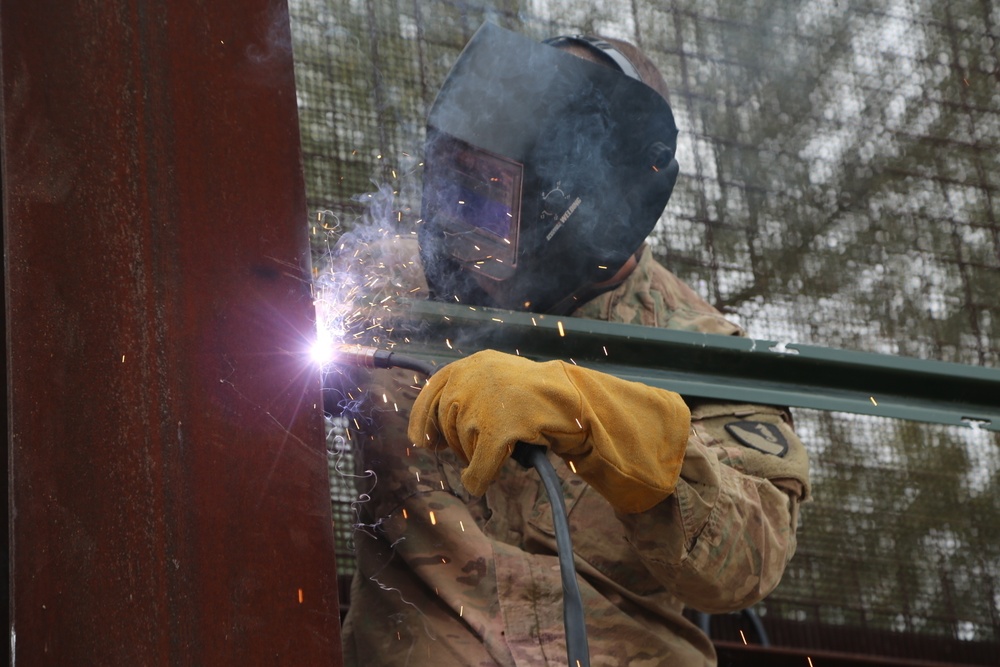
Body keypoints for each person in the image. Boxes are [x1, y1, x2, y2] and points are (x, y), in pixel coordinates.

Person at [335, 23, 810, 666]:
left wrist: (599, 421)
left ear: (595, 204)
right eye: (454, 180)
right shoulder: (386, 286)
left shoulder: (698, 348)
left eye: (493, 194)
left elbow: (747, 564)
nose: (459, 221)